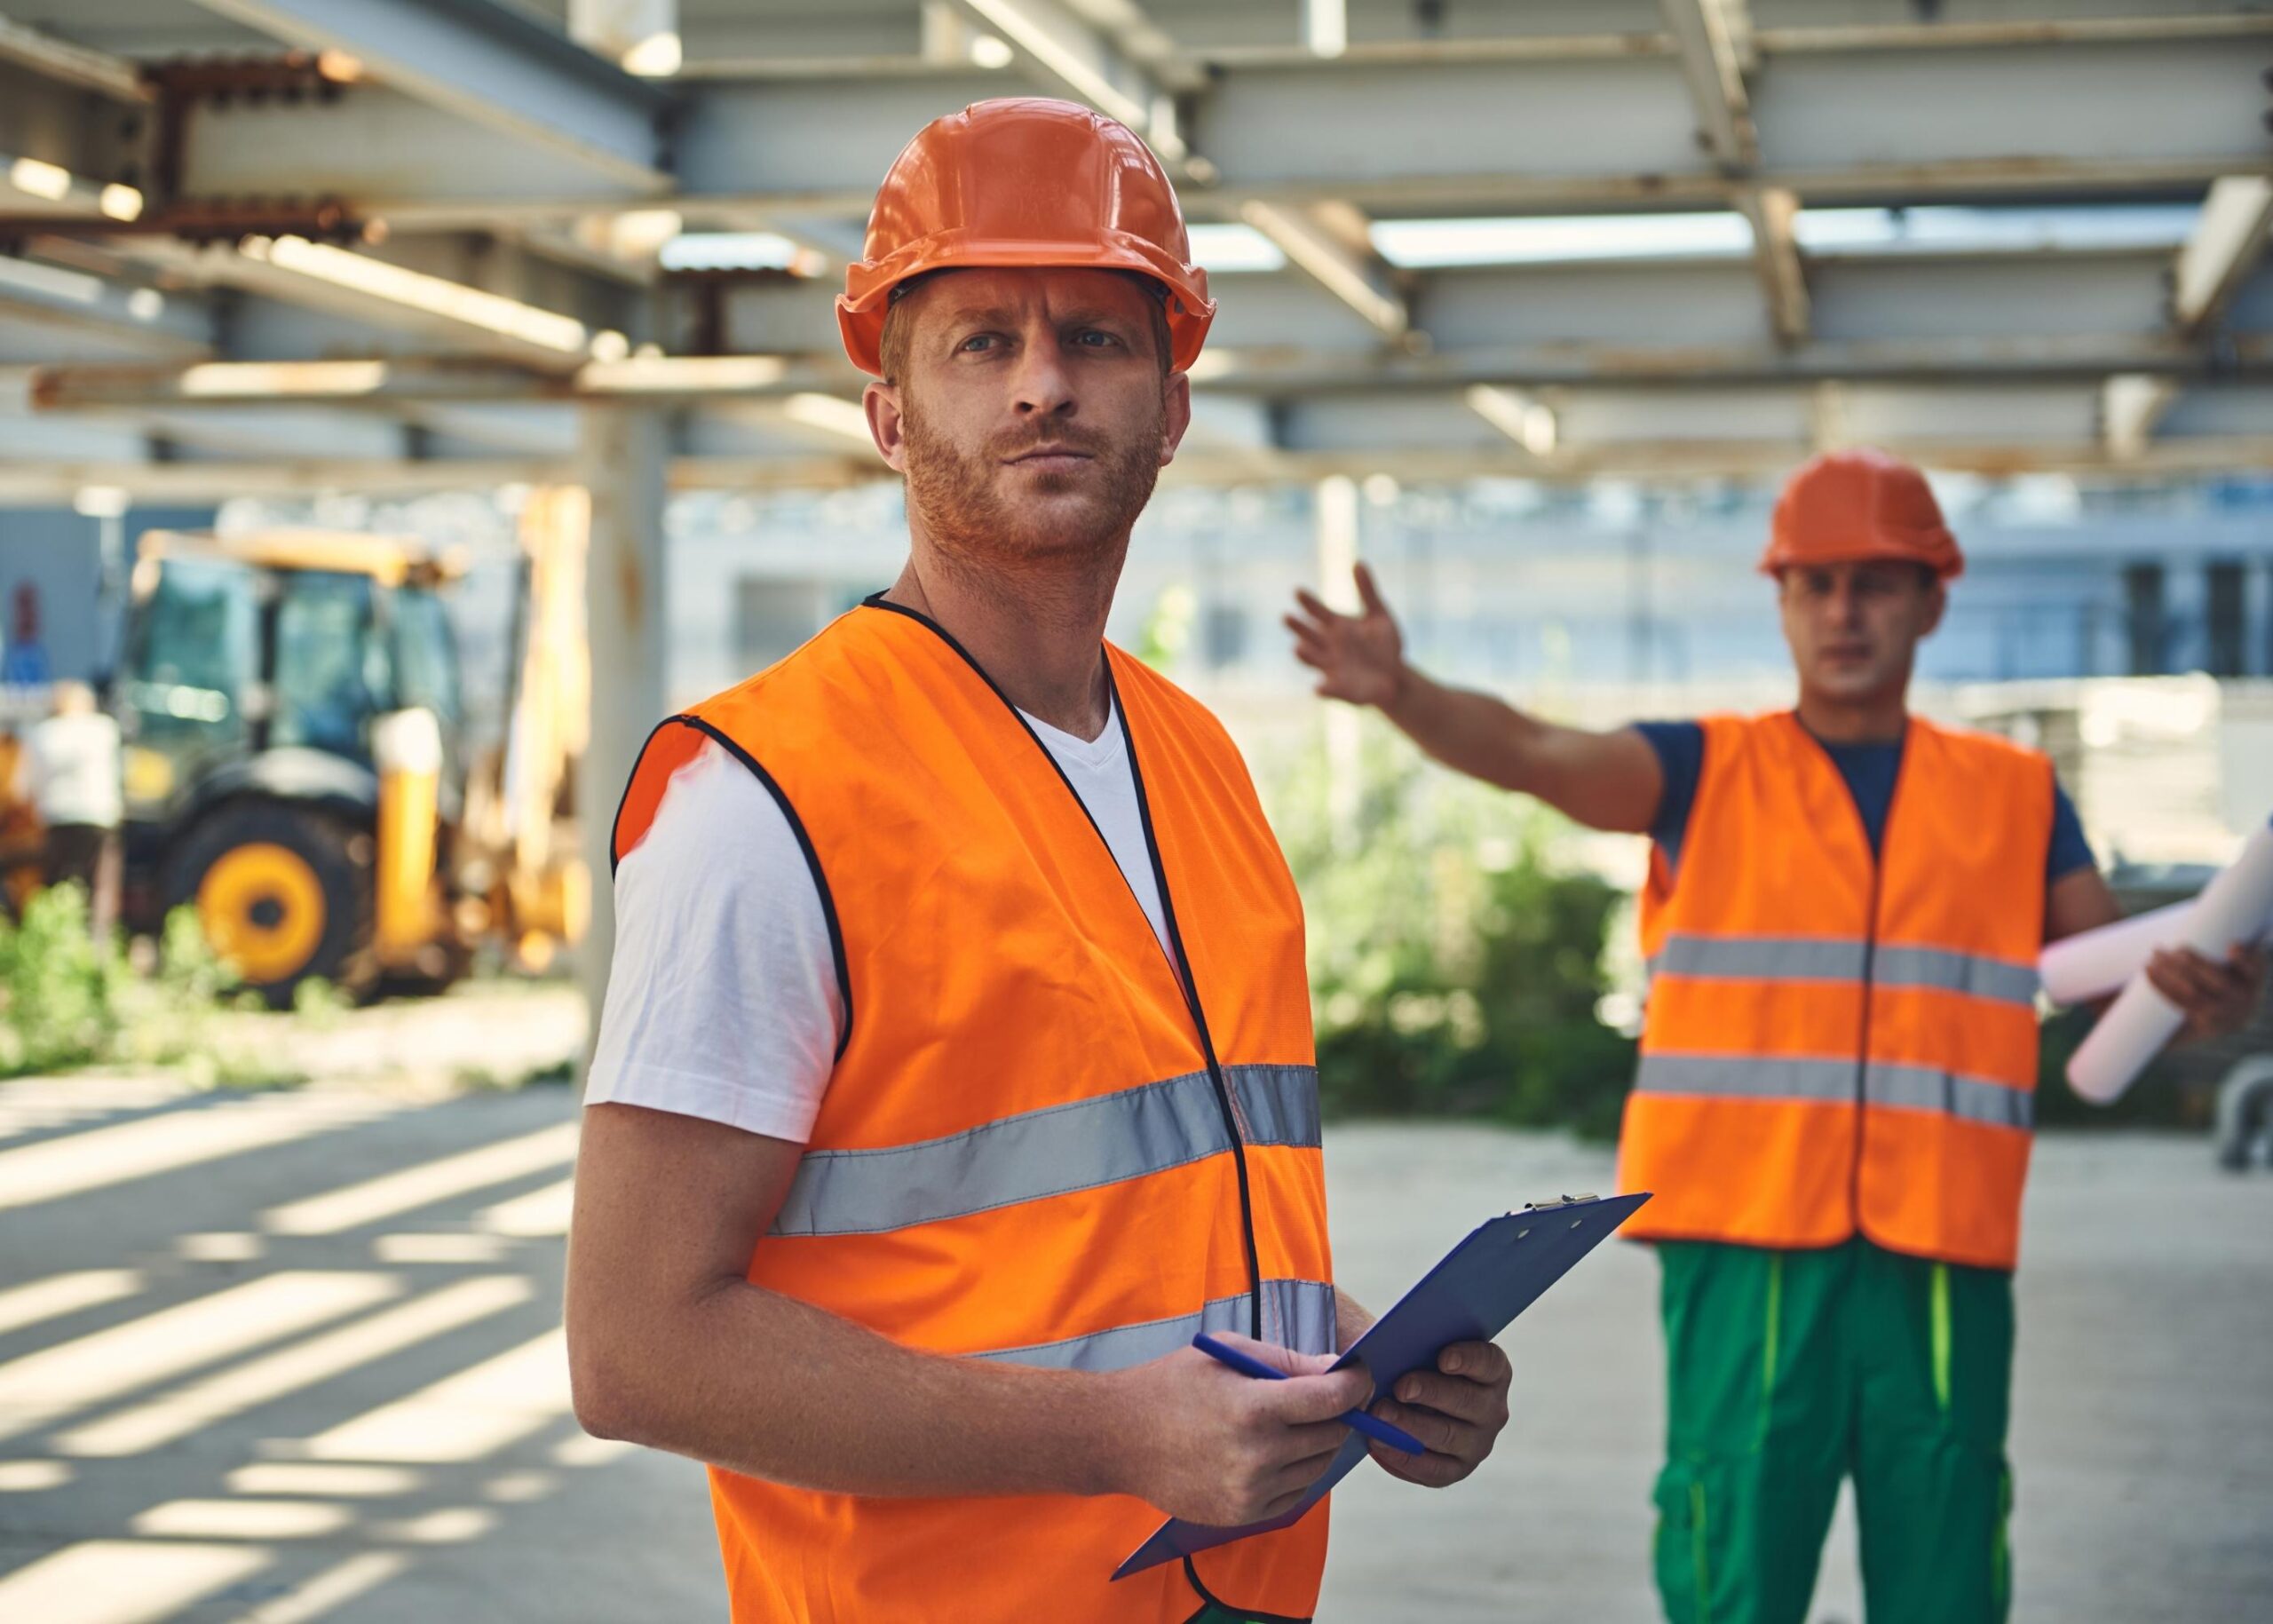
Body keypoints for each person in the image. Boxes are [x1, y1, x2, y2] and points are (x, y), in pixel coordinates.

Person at [565, 98, 1514, 1624]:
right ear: (889, 414)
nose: (1044, 383)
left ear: (1171, 405)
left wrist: (1354, 1356)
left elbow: (1139, 1218)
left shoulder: (1197, 758)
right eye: (981, 343)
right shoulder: (761, 796)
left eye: (1097, 336)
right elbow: (636, 1349)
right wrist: (1116, 1435)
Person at [1284, 448, 2265, 1624]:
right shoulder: (1704, 770)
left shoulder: (2016, 794)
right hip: (1743, 1238)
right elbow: (1537, 754)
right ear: (1784, 601)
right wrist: (1402, 691)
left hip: (1939, 1239)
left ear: (1931, 601)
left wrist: (2202, 993)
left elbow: (2117, 985)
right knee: (1734, 1542)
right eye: (1817, 583)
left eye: (1876, 583)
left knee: (1946, 1543)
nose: (1844, 611)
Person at [20, 680, 122, 938]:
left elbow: (24, 787)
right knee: (100, 884)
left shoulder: (41, 735)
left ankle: (55, 938)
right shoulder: (104, 730)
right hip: (98, 817)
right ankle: (98, 944)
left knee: (57, 881)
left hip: (56, 819)